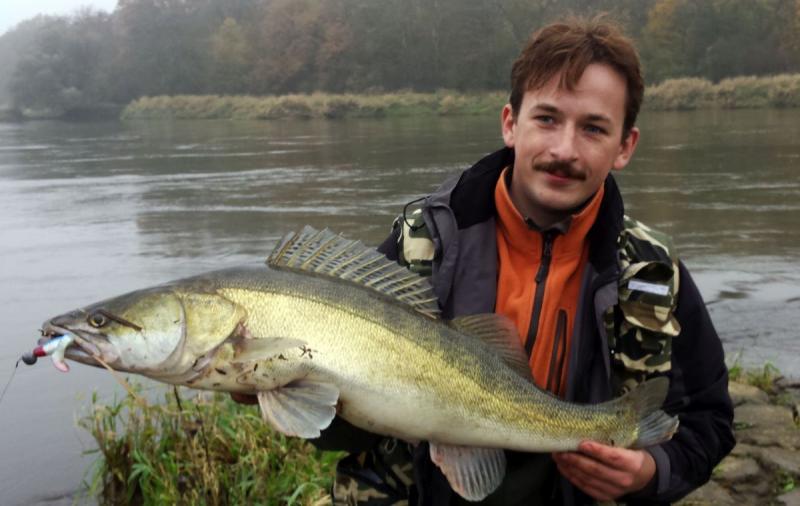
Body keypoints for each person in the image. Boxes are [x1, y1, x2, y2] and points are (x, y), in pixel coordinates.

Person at [237, 16, 735, 505]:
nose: (564, 149)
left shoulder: (653, 273)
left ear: (625, 146)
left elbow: (710, 421)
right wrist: (289, 391)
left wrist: (649, 474)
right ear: (510, 124)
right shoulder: (421, 247)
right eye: (547, 119)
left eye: (593, 128)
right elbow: (344, 431)